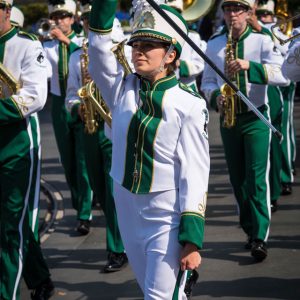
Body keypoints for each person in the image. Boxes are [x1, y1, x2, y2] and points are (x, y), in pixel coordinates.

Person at [88, 0, 210, 298]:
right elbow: (99, 50)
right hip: (127, 208)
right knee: (152, 291)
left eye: (149, 45)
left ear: (171, 55)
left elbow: (195, 172)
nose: (139, 50)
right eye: (136, 43)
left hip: (165, 214)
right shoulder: (121, 88)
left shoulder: (190, 105)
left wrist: (192, 239)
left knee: (160, 296)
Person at [201, 0, 289, 261]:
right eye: (227, 10)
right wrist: (215, 95)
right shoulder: (214, 44)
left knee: (256, 178)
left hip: (256, 116)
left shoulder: (262, 40)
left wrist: (251, 67)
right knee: (238, 180)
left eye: (237, 9)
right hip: (229, 119)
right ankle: (249, 230)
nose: (232, 15)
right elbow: (206, 81)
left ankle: (260, 236)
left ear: (248, 12)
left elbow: (283, 75)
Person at [65, 0, 128, 272]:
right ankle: (122, 237)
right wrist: (77, 107)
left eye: (95, 18)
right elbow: (70, 94)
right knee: (100, 191)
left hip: (113, 127)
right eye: (88, 19)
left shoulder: (121, 48)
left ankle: (116, 249)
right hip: (90, 127)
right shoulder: (76, 54)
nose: (91, 23)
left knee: (114, 193)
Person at [0, 1, 54, 299]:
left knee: (11, 225)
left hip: (18, 144)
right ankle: (40, 277)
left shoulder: (26, 44)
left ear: (7, 11)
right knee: (11, 222)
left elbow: (34, 96)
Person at [43, 0, 93, 234]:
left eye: (64, 16)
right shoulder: (47, 46)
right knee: (68, 162)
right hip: (59, 105)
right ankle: (79, 203)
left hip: (82, 103)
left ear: (73, 19)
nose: (59, 21)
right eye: (56, 17)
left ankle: (84, 213)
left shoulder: (82, 42)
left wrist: (66, 41)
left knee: (82, 161)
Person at [255, 0, 296, 198]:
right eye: (260, 14)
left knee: (283, 132)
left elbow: (286, 50)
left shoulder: (279, 31)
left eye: (266, 15)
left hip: (283, 83)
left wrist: (263, 29)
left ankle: (285, 176)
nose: (264, 18)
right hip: (261, 85)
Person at [165, 0, 207, 92]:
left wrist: (181, 65)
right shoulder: (158, 36)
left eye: (176, 13)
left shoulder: (193, 36)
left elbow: (199, 64)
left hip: (187, 87)